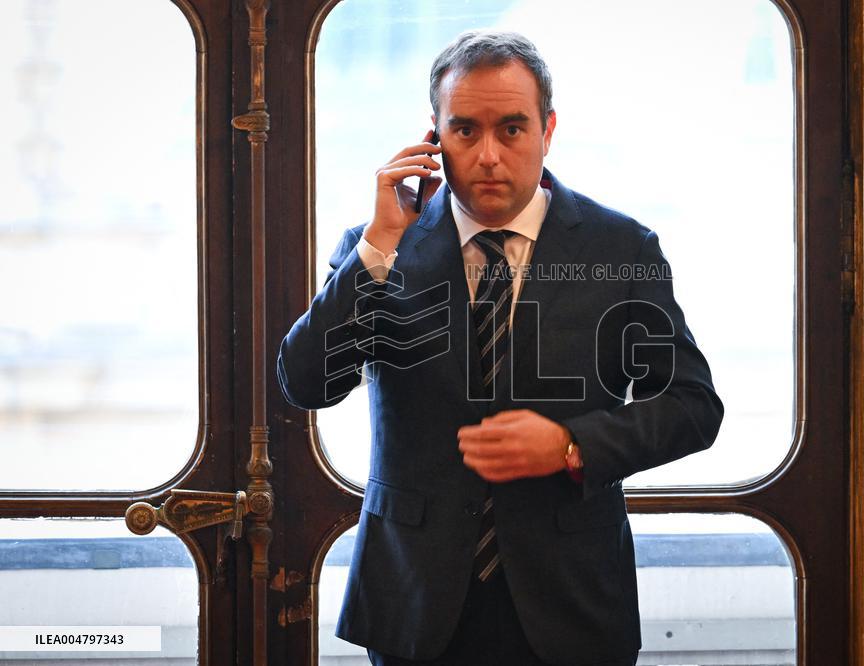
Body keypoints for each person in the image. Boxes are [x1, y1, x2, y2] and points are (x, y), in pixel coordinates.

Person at [277, 30, 723, 666]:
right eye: (464, 131)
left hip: (571, 601)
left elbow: (692, 406)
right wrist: (378, 245)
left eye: (511, 129)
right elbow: (306, 383)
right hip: (415, 602)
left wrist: (573, 446)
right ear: (434, 138)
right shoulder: (376, 249)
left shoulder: (619, 249)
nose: (488, 155)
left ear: (548, 130)